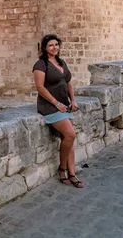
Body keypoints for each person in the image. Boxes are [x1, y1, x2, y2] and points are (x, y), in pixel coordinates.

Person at [32, 34, 85, 188]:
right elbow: (40, 87)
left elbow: (68, 82)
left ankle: (72, 173)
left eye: (56, 44)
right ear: (44, 48)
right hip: (50, 106)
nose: (54, 47)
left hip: (65, 104)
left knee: (67, 139)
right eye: (50, 45)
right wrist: (56, 104)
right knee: (70, 135)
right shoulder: (41, 65)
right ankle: (62, 169)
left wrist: (73, 100)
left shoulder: (61, 62)